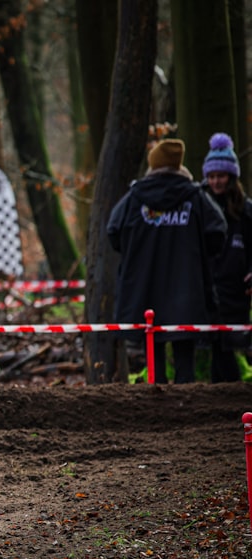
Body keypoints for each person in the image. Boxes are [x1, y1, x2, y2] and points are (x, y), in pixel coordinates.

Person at [107, 138, 227, 383]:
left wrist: (137, 253)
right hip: (187, 290)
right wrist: (198, 256)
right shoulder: (195, 197)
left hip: (145, 289)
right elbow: (218, 231)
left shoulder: (134, 198)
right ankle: (184, 410)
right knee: (185, 356)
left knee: (153, 351)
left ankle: (157, 406)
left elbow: (113, 231)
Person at [200, 132, 252, 382]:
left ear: (231, 177)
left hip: (237, 287)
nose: (216, 182)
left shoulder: (245, 210)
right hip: (209, 285)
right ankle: (220, 391)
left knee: (231, 343)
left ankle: (231, 390)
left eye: (220, 176)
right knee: (216, 344)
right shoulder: (199, 204)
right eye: (211, 176)